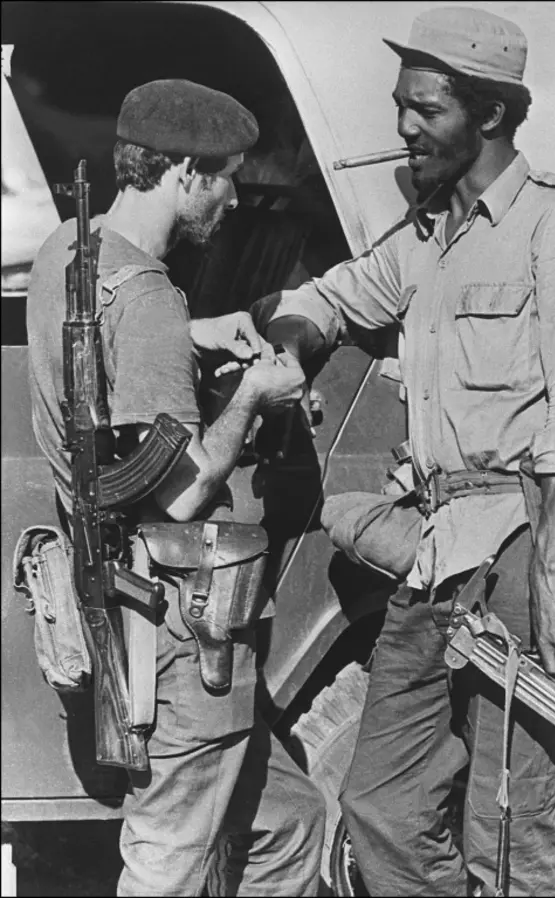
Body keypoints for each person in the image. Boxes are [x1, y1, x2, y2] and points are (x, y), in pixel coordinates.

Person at [248, 7, 555, 897]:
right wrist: (291, 350)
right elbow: (328, 299)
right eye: (399, 106)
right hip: (431, 562)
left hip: (522, 551)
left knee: (512, 828)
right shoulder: (423, 235)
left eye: (427, 109)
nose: (405, 127)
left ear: (488, 114)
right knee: (379, 806)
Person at [26, 78, 325, 897]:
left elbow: (110, 368)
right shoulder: (149, 296)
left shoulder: (70, 253)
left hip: (117, 601)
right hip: (177, 628)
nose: (234, 196)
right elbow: (183, 494)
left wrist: (196, 334)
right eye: (227, 174)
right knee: (166, 856)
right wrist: (254, 398)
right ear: (186, 171)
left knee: (292, 822)